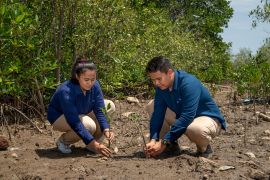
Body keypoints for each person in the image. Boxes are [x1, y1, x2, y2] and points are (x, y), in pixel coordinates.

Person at [144, 56, 227, 158]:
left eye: (158, 79)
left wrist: (164, 141)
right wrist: (153, 139)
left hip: (207, 118)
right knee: (152, 105)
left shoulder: (188, 83)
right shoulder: (161, 86)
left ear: (169, 73)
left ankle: (204, 149)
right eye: (153, 80)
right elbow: (157, 114)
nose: (156, 83)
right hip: (183, 116)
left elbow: (187, 116)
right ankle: (169, 146)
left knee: (195, 129)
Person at [47, 56, 115, 157]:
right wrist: (93, 143)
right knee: (89, 125)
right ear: (77, 76)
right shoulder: (66, 91)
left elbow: (100, 109)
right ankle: (63, 141)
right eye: (86, 79)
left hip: (81, 112)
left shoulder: (95, 85)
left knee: (110, 106)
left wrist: (106, 129)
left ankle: (93, 143)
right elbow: (74, 121)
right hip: (60, 117)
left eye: (93, 79)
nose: (90, 83)